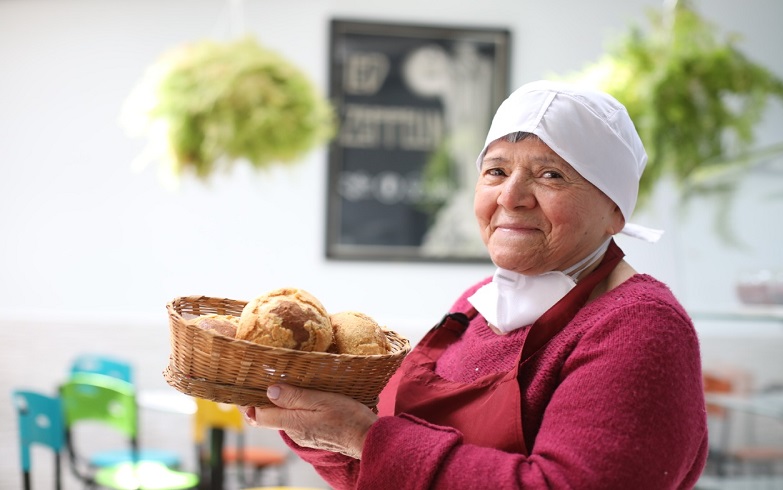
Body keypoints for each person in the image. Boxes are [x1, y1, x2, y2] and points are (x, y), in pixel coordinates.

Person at [239, 80, 709, 489]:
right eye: (497, 171)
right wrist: (314, 427)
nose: (511, 196)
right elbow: (377, 474)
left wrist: (363, 437)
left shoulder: (639, 326)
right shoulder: (477, 304)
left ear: (615, 211)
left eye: (551, 175)